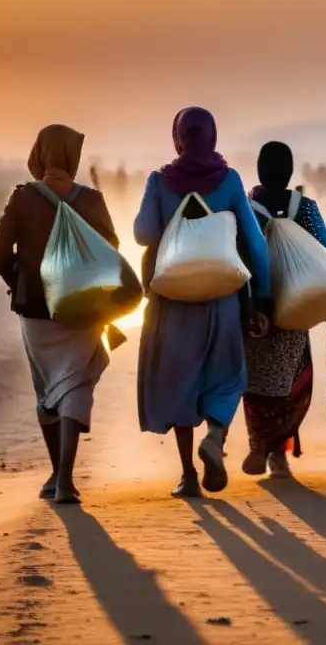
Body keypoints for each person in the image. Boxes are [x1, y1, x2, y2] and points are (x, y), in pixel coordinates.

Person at [135, 107, 272, 498]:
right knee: (226, 373)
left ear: (178, 136)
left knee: (181, 380)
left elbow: (143, 234)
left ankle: (188, 475)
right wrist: (261, 294)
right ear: (212, 135)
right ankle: (215, 435)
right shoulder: (229, 181)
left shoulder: (160, 181)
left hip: (172, 298)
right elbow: (254, 242)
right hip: (223, 296)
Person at [0, 124, 119, 504]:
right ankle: (65, 479)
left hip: (35, 308)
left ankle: (56, 474)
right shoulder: (92, 199)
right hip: (84, 307)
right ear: (72, 156)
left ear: (40, 154)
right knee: (75, 384)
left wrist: (20, 278)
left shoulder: (23, 198)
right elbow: (111, 250)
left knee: (47, 389)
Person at [242, 141, 326, 478]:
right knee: (293, 380)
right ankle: (278, 452)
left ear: (260, 169)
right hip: (296, 304)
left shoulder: (246, 205)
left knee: (256, 381)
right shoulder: (304, 205)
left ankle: (258, 444)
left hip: (257, 306)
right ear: (290, 170)